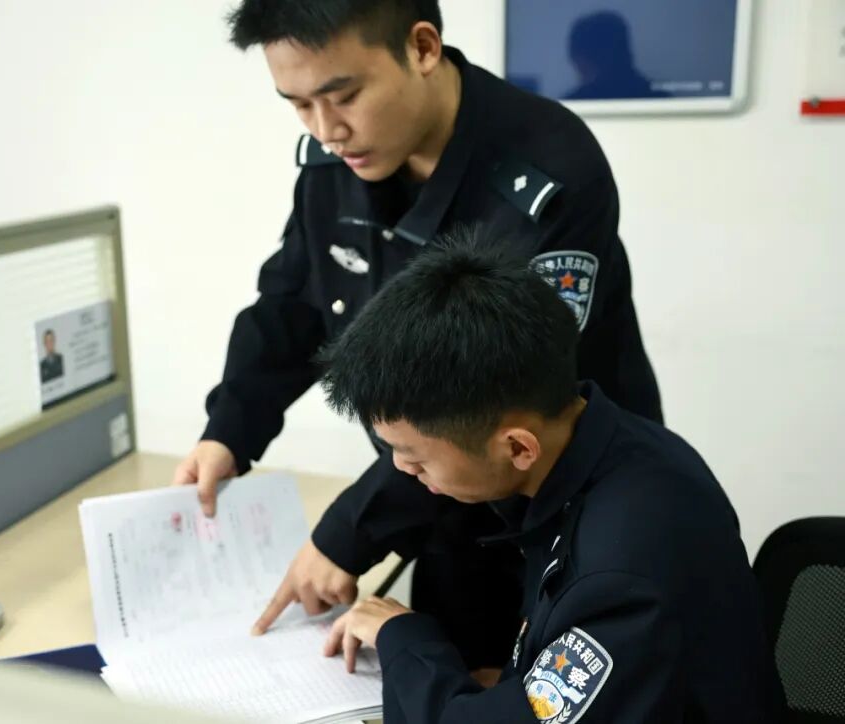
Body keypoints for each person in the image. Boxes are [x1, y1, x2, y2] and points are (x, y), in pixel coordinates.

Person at [173, 0, 662, 676]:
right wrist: (227, 432)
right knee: (443, 677)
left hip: (565, 514)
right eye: (299, 105)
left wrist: (348, 532)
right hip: (440, 494)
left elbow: (482, 393)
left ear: (423, 47)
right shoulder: (335, 163)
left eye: (344, 95)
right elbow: (293, 304)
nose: (327, 130)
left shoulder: (548, 171)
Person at [317, 239, 783, 723]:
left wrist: (402, 639)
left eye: (415, 458)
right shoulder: (615, 445)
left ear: (519, 448)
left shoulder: (619, 579)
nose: (400, 468)